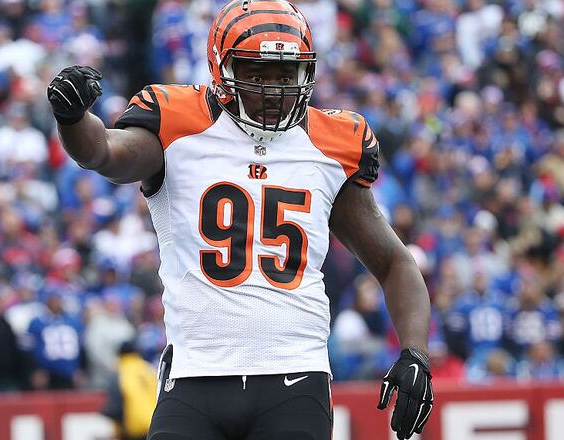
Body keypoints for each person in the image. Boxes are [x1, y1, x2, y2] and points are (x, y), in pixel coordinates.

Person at [47, 1, 433, 438]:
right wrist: (73, 117)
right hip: (195, 375)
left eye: (286, 74)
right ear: (222, 68)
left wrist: (415, 352)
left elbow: (396, 263)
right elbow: (103, 152)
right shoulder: (178, 123)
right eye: (258, 72)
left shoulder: (332, 144)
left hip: (295, 377)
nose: (274, 87)